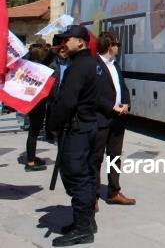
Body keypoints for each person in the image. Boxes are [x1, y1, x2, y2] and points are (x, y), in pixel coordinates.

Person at [46, 25, 99, 246]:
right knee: (84, 176)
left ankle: (83, 229)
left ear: (81, 42)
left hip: (76, 130)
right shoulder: (91, 64)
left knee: (76, 178)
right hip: (87, 127)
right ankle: (86, 222)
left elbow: (68, 100)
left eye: (68, 39)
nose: (63, 43)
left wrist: (53, 124)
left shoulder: (79, 66)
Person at [91, 31, 135, 207]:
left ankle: (114, 191)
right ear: (110, 46)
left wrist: (126, 104)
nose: (118, 47)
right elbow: (94, 93)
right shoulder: (95, 65)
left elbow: (122, 87)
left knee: (114, 157)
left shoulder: (115, 65)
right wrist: (111, 106)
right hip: (101, 118)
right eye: (117, 44)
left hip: (118, 119)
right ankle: (92, 196)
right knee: (96, 158)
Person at [23, 44, 50, 172]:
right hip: (37, 103)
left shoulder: (27, 66)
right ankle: (30, 161)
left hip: (32, 102)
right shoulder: (39, 68)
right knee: (33, 132)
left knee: (33, 132)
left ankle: (31, 156)